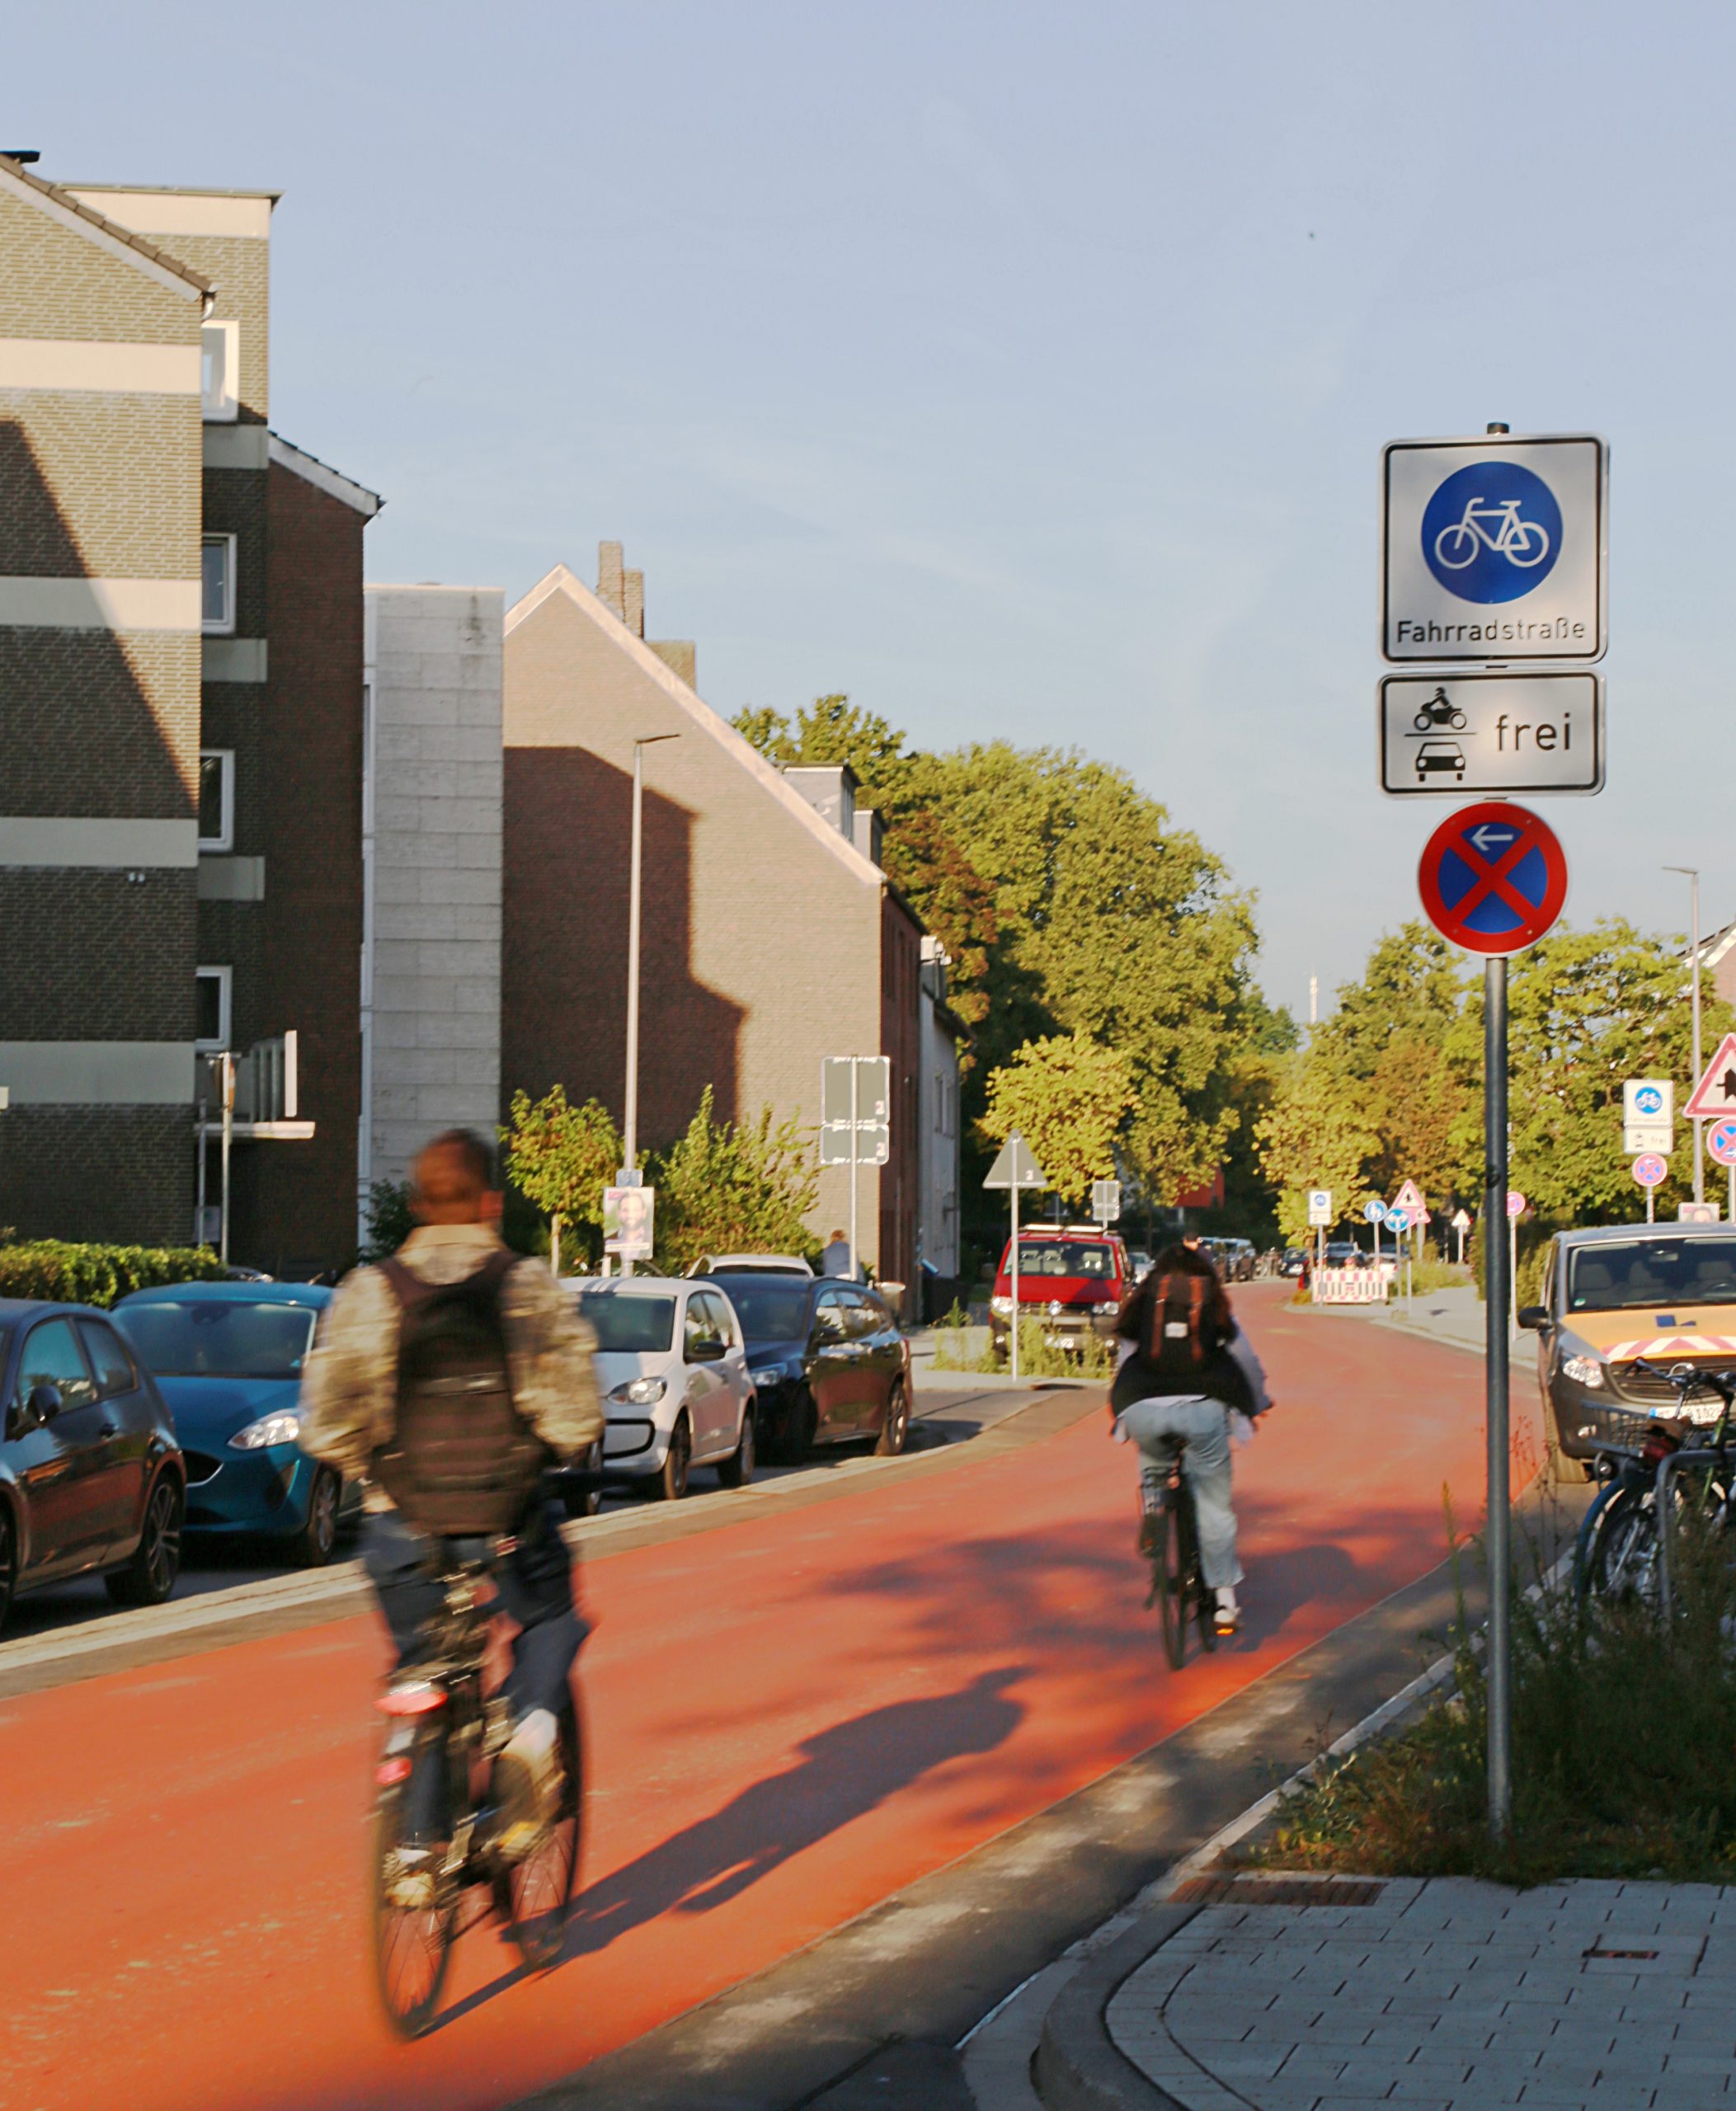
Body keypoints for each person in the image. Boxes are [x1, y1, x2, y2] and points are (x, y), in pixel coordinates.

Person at [301, 1127, 602, 1881]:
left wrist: (377, 1470)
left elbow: (328, 1425)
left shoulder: (370, 1293)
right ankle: (533, 1730)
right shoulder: (525, 1287)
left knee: (419, 1659)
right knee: (551, 1616)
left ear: (415, 1204)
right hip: (506, 1521)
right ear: (490, 1202)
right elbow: (576, 1418)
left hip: (402, 1529)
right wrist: (548, 1453)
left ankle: (412, 1854)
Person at [1108, 1243, 1273, 1635]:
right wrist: (1257, 1400)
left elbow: (1124, 1357)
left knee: (1154, 1457)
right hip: (1204, 1407)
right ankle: (1225, 1604)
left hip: (1143, 1406)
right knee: (1213, 1504)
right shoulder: (1211, 1300)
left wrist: (1126, 1407)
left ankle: (1153, 1503)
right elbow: (1244, 1358)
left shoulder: (1145, 1303)